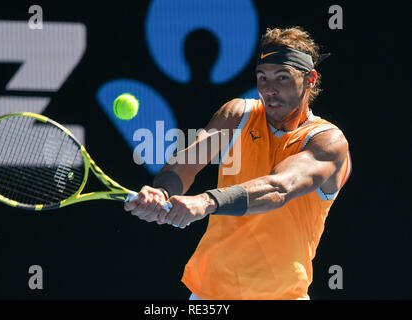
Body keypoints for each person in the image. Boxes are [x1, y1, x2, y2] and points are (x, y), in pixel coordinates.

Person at [124, 26, 352, 300]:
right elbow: (184, 165)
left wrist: (206, 202)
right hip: (209, 294)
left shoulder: (328, 141)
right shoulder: (237, 114)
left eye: (282, 77)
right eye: (262, 78)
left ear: (310, 79)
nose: (270, 89)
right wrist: (161, 193)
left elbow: (278, 188)